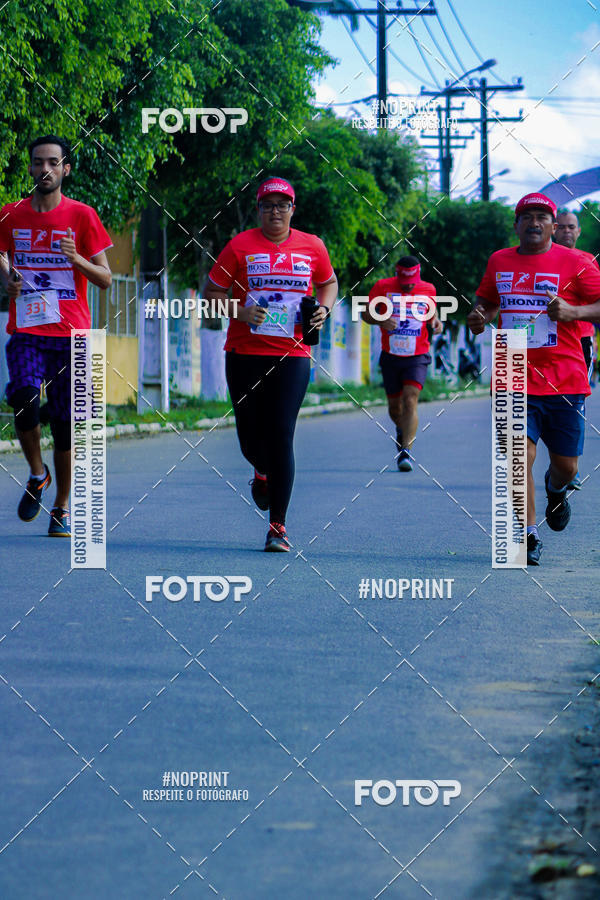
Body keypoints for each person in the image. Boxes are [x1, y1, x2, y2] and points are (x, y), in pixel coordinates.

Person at [204, 176, 338, 551]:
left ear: (292, 210)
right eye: (267, 205)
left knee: (281, 434)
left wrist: (324, 308)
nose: (275, 211)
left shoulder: (312, 246)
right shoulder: (240, 246)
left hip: (293, 354)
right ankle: (260, 472)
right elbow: (212, 292)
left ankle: (277, 526)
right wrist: (241, 310)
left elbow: (329, 283)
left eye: (282, 205)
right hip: (245, 353)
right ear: (258, 210)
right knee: (250, 439)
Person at [468, 193, 600, 566]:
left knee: (567, 466)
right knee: (518, 456)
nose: (534, 222)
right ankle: (527, 535)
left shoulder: (578, 262)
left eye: (542, 216)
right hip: (512, 369)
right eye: (526, 216)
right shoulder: (500, 260)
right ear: (517, 224)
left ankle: (555, 491)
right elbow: (487, 301)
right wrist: (479, 315)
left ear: (554, 226)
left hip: (565, 377)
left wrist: (574, 311)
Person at [0, 135, 112, 536]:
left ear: (66, 169)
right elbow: (2, 256)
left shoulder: (82, 216)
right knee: (24, 401)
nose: (44, 169)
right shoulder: (11, 215)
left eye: (53, 162)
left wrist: (76, 258)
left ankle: (62, 507)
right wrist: (7, 281)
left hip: (72, 336)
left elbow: (105, 279)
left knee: (66, 427)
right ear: (29, 168)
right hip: (28, 330)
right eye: (37, 162)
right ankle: (37, 474)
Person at [362, 256, 442, 471]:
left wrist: (435, 321)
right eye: (404, 281)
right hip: (391, 355)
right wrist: (380, 319)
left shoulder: (429, 289)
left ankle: (406, 451)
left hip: (417, 355)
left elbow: (431, 313)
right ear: (397, 274)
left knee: (410, 400)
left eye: (412, 281)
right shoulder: (383, 287)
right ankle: (402, 431)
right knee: (395, 408)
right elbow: (365, 313)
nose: (408, 285)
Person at [553, 209, 598, 489]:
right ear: (554, 230)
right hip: (544, 345)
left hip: (580, 341)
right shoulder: (542, 261)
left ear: (579, 231)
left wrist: (573, 311)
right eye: (563, 227)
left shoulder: (586, 262)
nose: (567, 232)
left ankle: (569, 466)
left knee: (574, 401)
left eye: (573, 227)